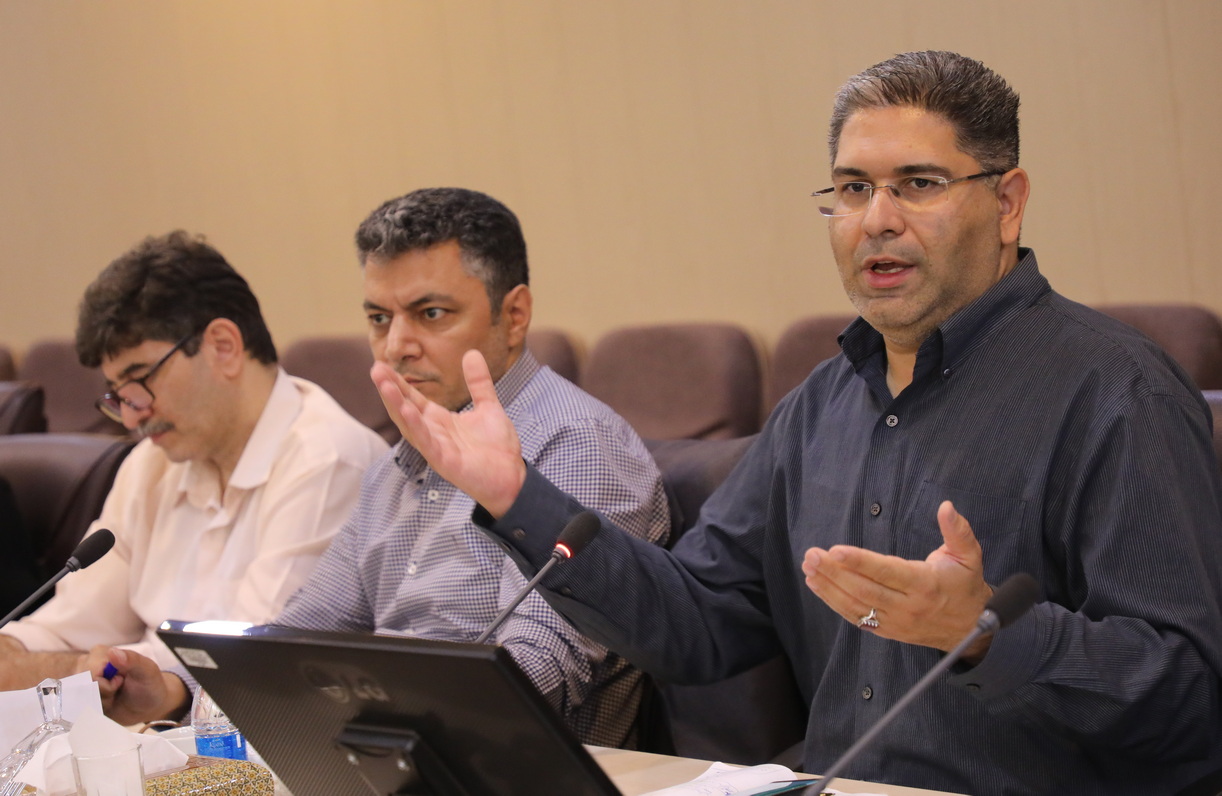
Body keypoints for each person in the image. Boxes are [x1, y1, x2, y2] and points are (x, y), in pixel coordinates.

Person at [367, 54, 1222, 794]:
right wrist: (518, 495)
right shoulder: (819, 407)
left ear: (1007, 202)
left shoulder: (1118, 393)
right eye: (852, 189)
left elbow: (1191, 699)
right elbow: (697, 622)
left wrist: (988, 635)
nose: (876, 219)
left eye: (919, 184)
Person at [100, 189, 671, 746]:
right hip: (384, 759)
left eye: (431, 314)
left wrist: (363, 707)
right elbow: (296, 637)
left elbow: (540, 666)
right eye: (379, 318)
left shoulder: (576, 443)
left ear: (514, 315)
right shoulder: (398, 465)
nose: (396, 345)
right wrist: (174, 691)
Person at [0, 231, 388, 722]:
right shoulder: (150, 464)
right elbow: (66, 629)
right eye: (117, 394)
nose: (133, 415)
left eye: (141, 380)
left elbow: (250, 668)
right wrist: (33, 656)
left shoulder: (328, 460)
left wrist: (69, 671)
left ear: (223, 346)